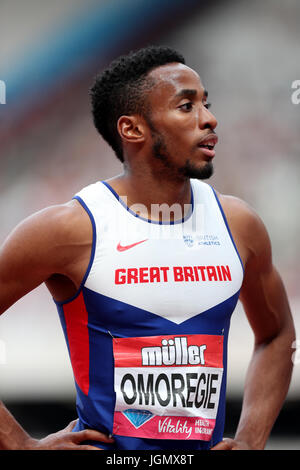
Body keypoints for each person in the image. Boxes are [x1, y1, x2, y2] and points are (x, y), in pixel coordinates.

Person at [0, 46, 295, 451]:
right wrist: (18, 443)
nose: (209, 118)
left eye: (206, 103)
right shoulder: (68, 229)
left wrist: (250, 440)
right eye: (186, 106)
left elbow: (277, 333)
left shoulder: (239, 225)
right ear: (133, 129)